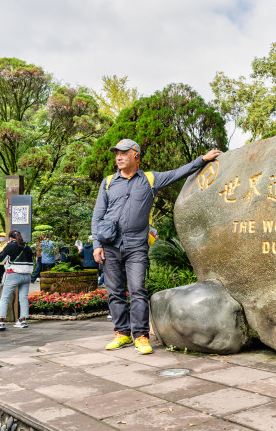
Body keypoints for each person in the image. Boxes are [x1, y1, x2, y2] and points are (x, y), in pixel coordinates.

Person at [92, 138, 221, 355]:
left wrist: (202, 159)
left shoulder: (151, 179)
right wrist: (96, 244)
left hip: (136, 246)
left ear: (136, 155)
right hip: (110, 245)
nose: (119, 157)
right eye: (116, 154)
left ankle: (141, 336)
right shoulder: (108, 182)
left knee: (137, 290)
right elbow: (98, 215)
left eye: (123, 153)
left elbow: (178, 172)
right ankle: (121, 333)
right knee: (114, 292)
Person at [0, 230, 34, 331]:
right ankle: (22, 320)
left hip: (13, 275)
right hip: (26, 276)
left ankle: (1, 322)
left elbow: (1, 260)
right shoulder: (27, 247)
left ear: (10, 238)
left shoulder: (10, 246)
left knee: (5, 298)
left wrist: (4, 248)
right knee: (23, 298)